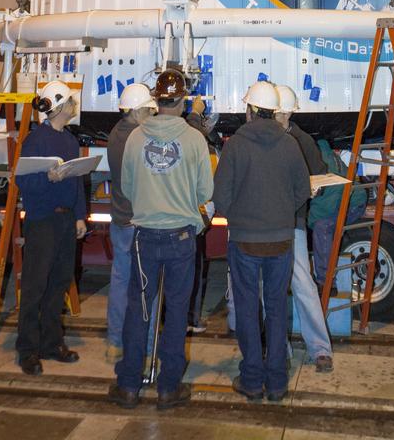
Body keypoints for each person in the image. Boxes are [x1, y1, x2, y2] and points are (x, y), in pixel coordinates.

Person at [109, 68, 214, 411]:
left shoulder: (137, 138)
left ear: (157, 100)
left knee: (139, 311)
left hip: (144, 238)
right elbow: (205, 191)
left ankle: (128, 386)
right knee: (177, 311)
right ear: (183, 100)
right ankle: (168, 387)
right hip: (182, 238)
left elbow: (126, 186)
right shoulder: (196, 140)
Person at [213, 81, 310, 404]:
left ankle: (252, 380)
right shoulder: (289, 144)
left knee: (247, 308)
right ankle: (278, 382)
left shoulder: (235, 146)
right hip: (281, 240)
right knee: (278, 307)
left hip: (244, 242)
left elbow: (222, 198)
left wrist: (241, 217)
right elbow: (301, 191)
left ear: (250, 110)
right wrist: (280, 215)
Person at [15, 79, 86, 375]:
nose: (74, 106)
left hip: (65, 221)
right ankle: (27, 350)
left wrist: (80, 216)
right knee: (35, 286)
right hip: (42, 221)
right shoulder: (36, 140)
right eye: (71, 101)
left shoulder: (69, 140)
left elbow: (78, 181)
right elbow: (23, 180)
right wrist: (48, 178)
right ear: (59, 107)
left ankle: (51, 342)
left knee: (58, 283)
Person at [273, 84, 334, 372]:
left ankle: (320, 349)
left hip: (293, 222)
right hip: (271, 222)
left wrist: (311, 189)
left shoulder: (302, 141)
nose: (279, 117)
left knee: (302, 285)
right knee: (275, 288)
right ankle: (279, 349)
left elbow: (319, 180)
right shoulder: (272, 138)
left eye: (282, 113)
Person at [104, 82, 158, 360]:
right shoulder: (138, 138)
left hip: (120, 219)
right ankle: (146, 351)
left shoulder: (116, 133)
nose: (151, 116)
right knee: (146, 287)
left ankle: (115, 344)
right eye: (148, 111)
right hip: (139, 222)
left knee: (120, 280)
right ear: (136, 112)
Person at [309, 136, 369, 292]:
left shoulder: (323, 162)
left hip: (353, 204)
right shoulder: (324, 153)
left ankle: (326, 282)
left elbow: (327, 203)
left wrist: (309, 220)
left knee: (322, 227)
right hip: (353, 199)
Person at [184, 94, 215, 334]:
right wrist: (195, 114)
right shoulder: (188, 137)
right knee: (192, 271)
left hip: (172, 217)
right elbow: (191, 138)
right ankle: (189, 319)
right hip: (190, 217)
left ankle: (171, 318)